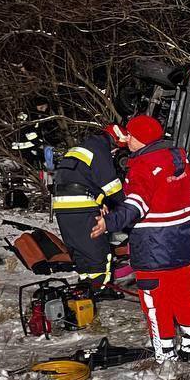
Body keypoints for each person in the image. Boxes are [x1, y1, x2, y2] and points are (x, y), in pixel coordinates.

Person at [92, 115, 190, 363]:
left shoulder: (141, 167)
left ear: (140, 139)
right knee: (183, 298)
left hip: (153, 252)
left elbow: (137, 205)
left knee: (156, 305)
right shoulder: (181, 159)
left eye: (130, 135)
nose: (126, 139)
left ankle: (165, 355)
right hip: (181, 247)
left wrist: (108, 222)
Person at [52, 123, 127, 295]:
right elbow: (112, 187)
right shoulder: (100, 150)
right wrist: (127, 208)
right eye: (116, 151)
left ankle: (85, 287)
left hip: (62, 206)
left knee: (80, 250)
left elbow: (85, 180)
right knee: (98, 252)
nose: (115, 155)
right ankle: (101, 290)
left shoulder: (81, 147)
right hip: (82, 205)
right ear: (115, 143)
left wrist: (101, 202)